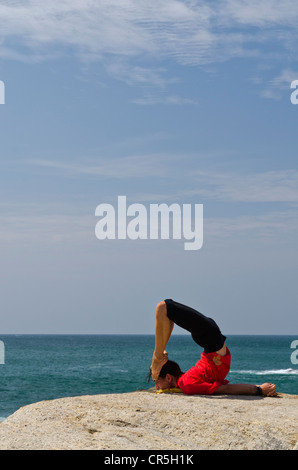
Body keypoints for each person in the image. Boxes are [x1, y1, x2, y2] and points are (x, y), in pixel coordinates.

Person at [149, 299, 277, 397]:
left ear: (168, 377)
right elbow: (224, 389)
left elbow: (224, 388)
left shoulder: (186, 383)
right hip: (212, 341)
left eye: (156, 382)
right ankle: (158, 356)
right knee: (164, 308)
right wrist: (259, 389)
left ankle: (158, 356)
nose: (156, 387)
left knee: (166, 311)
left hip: (212, 343)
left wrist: (259, 389)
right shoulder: (187, 384)